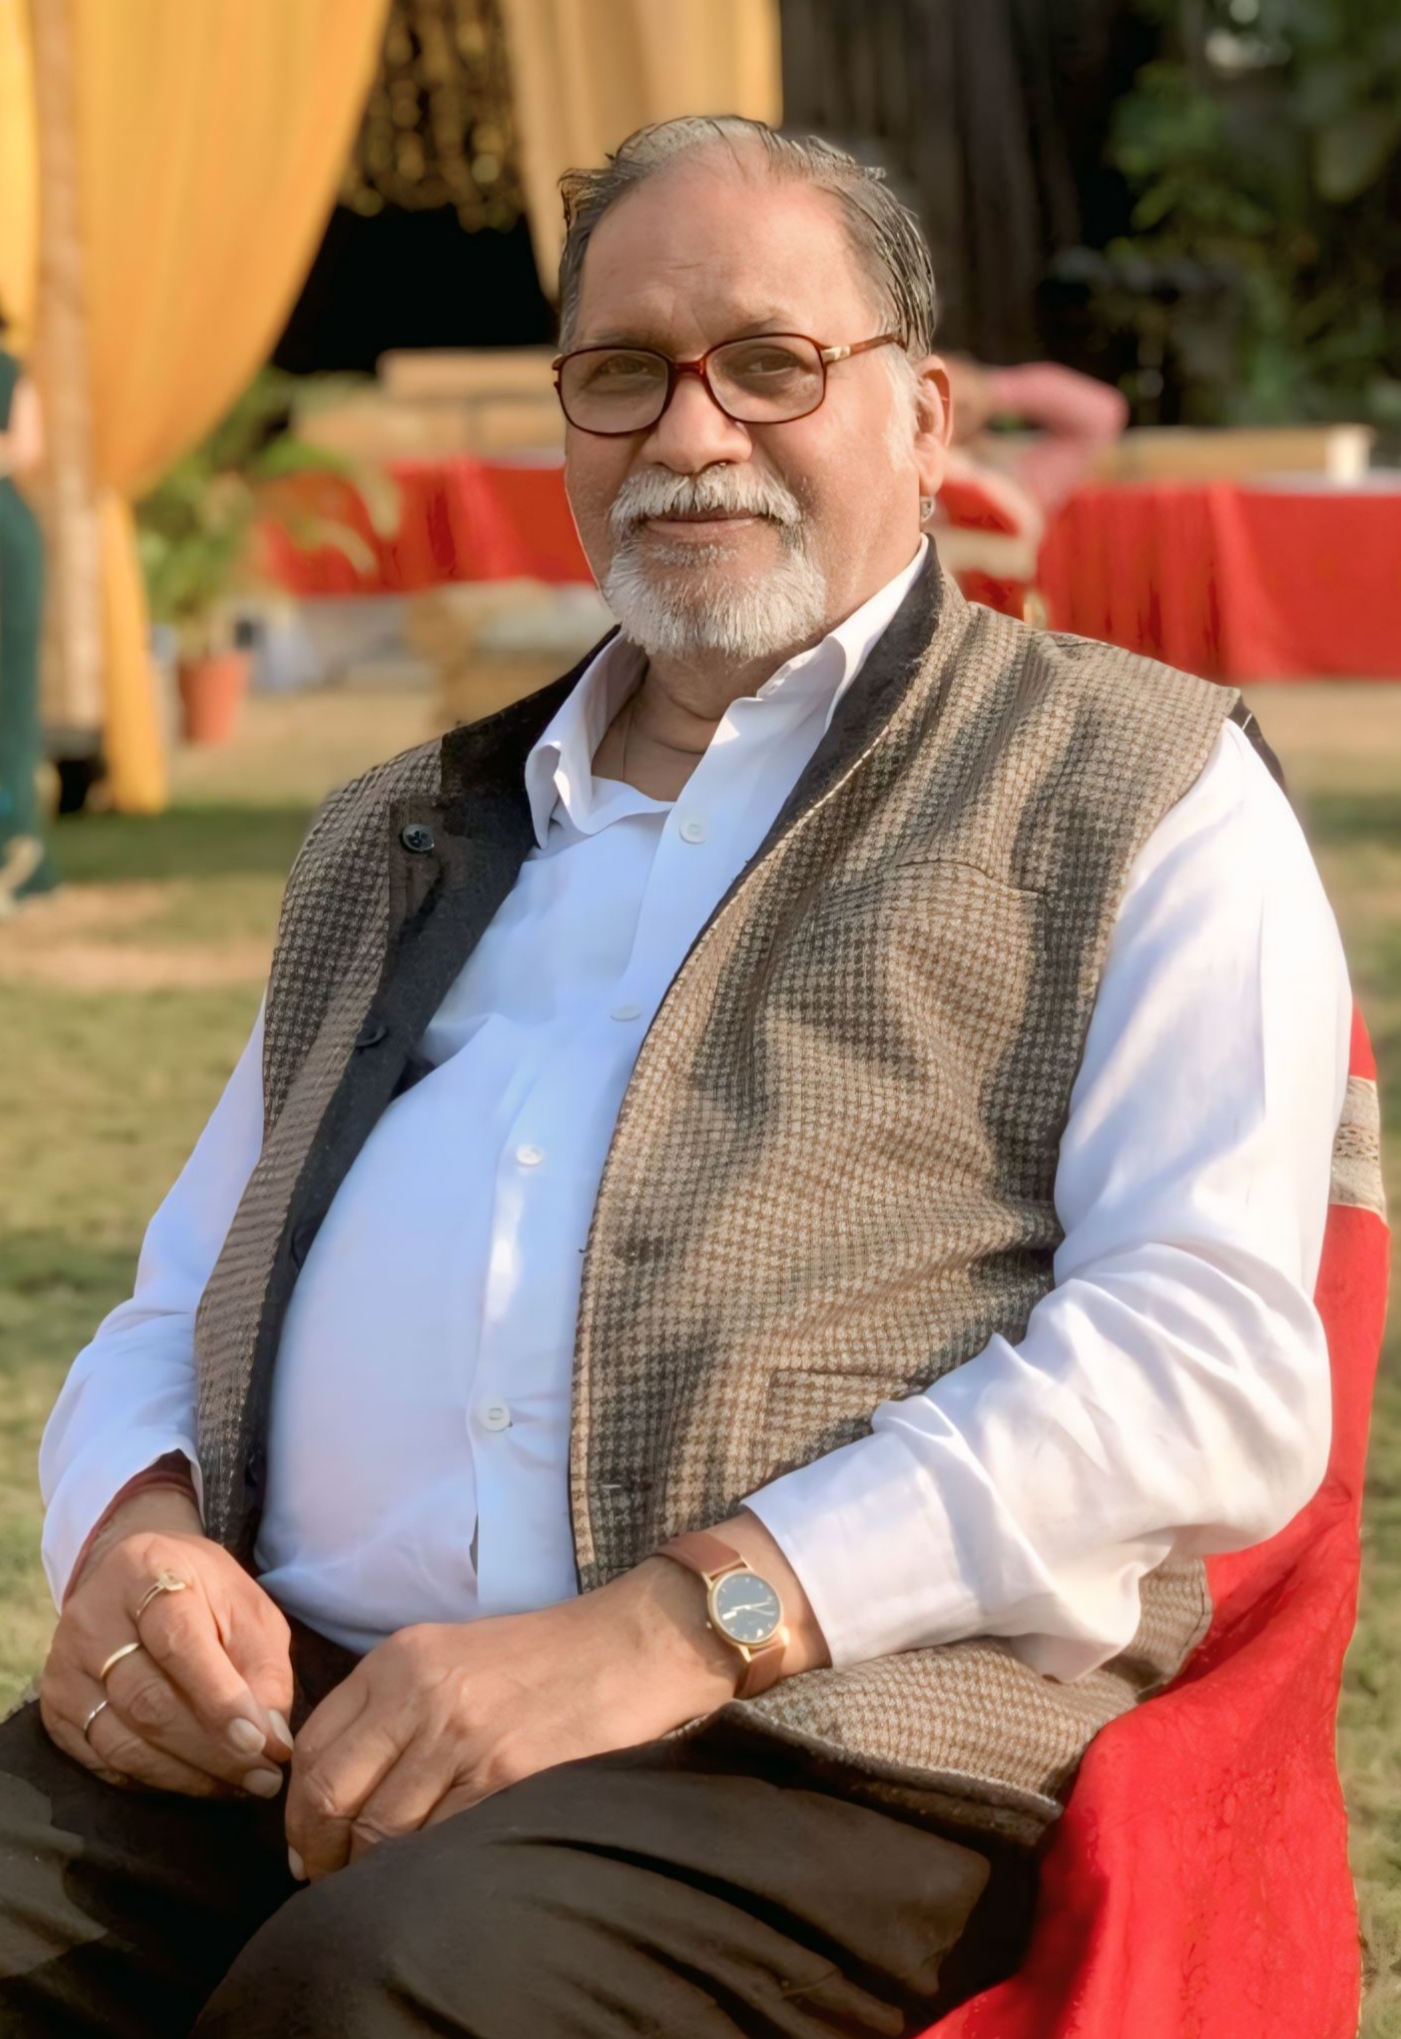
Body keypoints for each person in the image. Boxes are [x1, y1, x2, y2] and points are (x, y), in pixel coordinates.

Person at [0, 117, 1349, 2037]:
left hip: (801, 1744)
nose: (690, 431)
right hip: (289, 1708)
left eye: (771, 363)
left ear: (924, 416)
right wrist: (134, 1530)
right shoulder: (401, 828)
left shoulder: (1131, 785)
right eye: (622, 371)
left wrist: (682, 1617)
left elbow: (1201, 1362)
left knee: (370, 1996)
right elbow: (179, 1292)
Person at [0, 297, 57, 911]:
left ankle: (13, 845)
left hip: (6, 545)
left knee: (9, 698)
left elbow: (24, 447)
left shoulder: (11, 370)